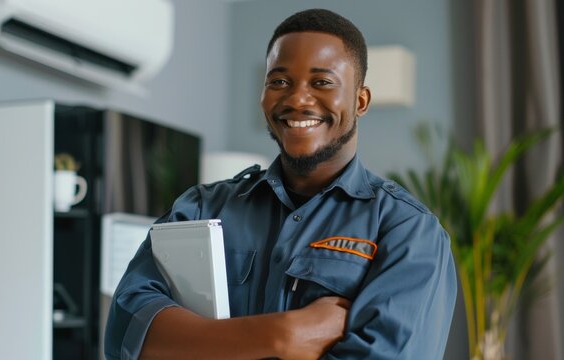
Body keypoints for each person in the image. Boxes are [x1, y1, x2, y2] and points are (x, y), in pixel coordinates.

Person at [105, 8, 457, 360]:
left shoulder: (407, 231)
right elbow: (126, 332)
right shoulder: (199, 208)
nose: (297, 99)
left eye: (322, 82)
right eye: (279, 81)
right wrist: (282, 336)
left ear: (360, 101)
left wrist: (205, 344)